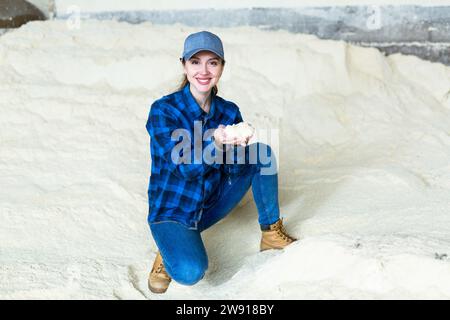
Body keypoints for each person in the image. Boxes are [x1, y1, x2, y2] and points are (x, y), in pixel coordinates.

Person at [145, 31, 297, 294]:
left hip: (211, 202)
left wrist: (238, 145)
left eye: (212, 62)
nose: (204, 70)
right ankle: (168, 251)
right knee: (190, 272)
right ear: (184, 65)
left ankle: (271, 232)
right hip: (174, 211)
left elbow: (234, 170)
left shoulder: (228, 111)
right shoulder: (163, 111)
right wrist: (215, 143)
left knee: (262, 153)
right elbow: (184, 169)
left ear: (222, 67)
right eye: (195, 62)